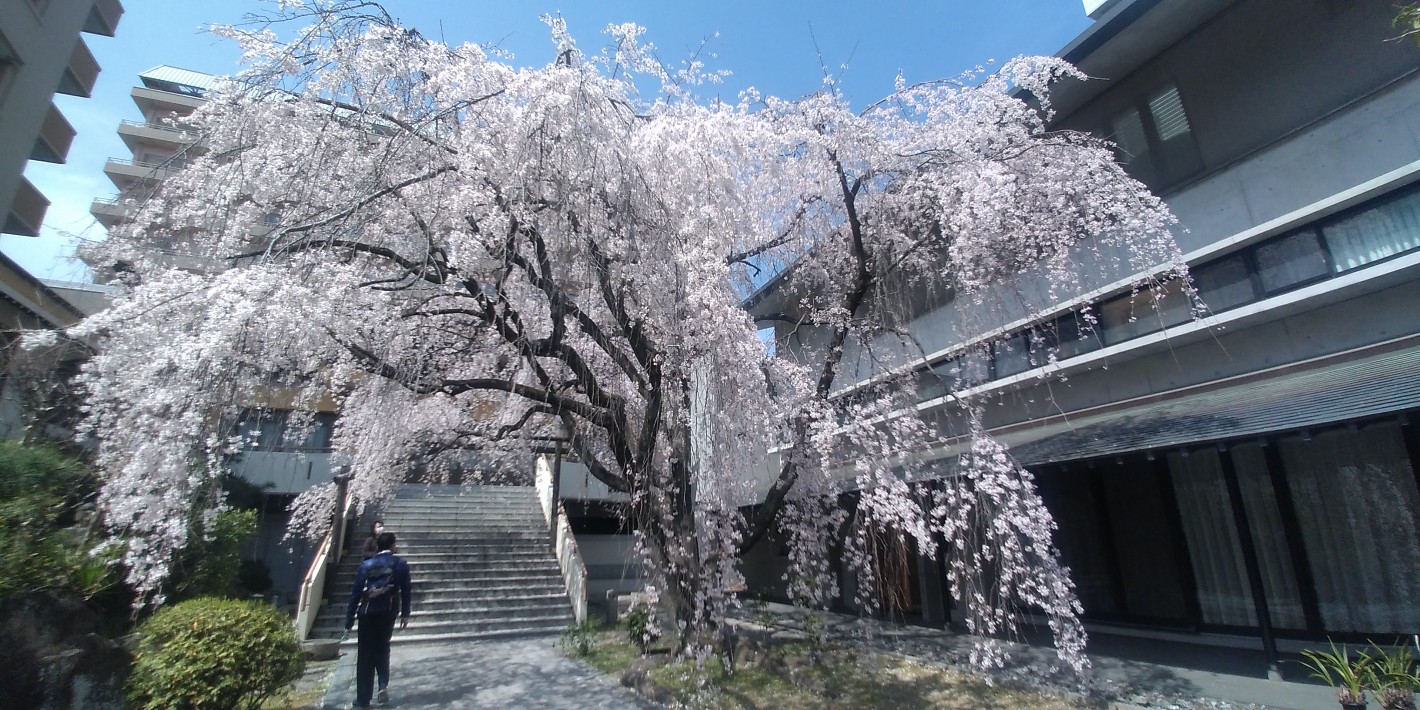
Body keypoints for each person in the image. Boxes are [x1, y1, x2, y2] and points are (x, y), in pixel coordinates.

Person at [345, 531, 412, 707]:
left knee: (365, 654)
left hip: (367, 613)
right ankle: (382, 686)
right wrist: (405, 613)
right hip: (388, 612)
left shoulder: (366, 565)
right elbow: (406, 591)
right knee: (383, 648)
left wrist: (349, 619)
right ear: (392, 546)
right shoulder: (400, 564)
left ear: (377, 546)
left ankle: (363, 698)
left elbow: (355, 594)